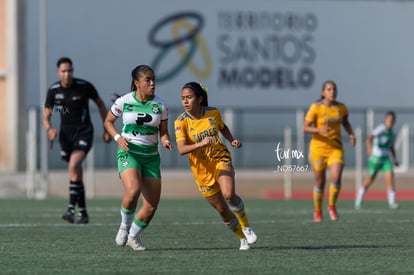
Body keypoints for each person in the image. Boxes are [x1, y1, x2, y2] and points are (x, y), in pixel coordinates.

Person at [174, 82, 257, 250]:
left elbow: (222, 127)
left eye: (189, 97)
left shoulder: (213, 113)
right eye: (183, 98)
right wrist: (200, 144)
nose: (185, 102)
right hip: (201, 172)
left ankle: (246, 227)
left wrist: (232, 139)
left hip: (220, 158)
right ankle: (241, 238)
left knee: (228, 194)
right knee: (221, 210)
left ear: (199, 99)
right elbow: (181, 149)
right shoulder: (181, 122)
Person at [104, 65, 172, 251]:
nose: (152, 83)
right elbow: (108, 122)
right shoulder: (123, 101)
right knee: (133, 191)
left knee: (151, 206)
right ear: (137, 83)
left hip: (151, 157)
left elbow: (164, 133)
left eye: (153, 79)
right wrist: (118, 139)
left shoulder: (161, 105)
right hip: (129, 152)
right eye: (147, 80)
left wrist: (166, 140)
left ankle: (133, 237)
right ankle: (124, 226)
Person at [43, 57, 111, 224]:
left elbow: (101, 104)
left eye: (69, 71)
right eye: (64, 71)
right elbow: (46, 116)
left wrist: (106, 128)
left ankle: (70, 210)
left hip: (84, 132)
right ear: (58, 72)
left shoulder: (83, 86)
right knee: (75, 173)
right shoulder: (53, 91)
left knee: (74, 165)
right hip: (65, 136)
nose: (67, 74)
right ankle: (84, 213)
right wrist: (49, 129)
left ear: (73, 71)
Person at [303, 80, 356, 222]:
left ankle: (332, 205)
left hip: (335, 148)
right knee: (320, 182)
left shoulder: (341, 108)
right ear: (323, 93)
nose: (332, 91)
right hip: (318, 149)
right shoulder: (316, 107)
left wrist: (351, 134)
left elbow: (345, 122)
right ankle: (318, 210)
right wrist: (319, 129)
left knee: (336, 177)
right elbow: (305, 127)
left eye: (334, 89)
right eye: (329, 89)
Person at [355, 111, 399, 209]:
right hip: (375, 159)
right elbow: (369, 138)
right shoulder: (380, 129)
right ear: (385, 120)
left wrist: (395, 159)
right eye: (388, 120)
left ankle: (392, 203)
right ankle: (359, 199)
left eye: (392, 121)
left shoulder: (393, 133)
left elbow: (391, 147)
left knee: (390, 179)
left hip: (386, 160)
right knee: (369, 180)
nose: (390, 122)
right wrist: (369, 148)